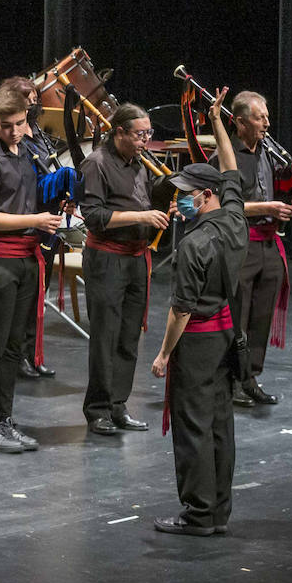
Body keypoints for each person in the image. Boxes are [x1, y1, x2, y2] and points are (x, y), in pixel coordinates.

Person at [151, 87, 245, 535]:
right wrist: (217, 123)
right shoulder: (233, 219)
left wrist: (164, 354)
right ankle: (219, 510)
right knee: (221, 423)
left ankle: (198, 513)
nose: (179, 201)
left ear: (204, 196)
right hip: (227, 337)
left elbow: (180, 310)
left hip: (199, 340)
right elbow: (231, 168)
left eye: (187, 194)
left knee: (192, 425)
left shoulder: (194, 244)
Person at [0, 88, 61, 453]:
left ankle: (5, 420)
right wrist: (35, 218)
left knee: (12, 347)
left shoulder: (25, 153)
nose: (16, 131)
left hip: (24, 258)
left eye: (21, 124)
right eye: (8, 126)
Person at [78, 103, 168, 434]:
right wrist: (142, 217)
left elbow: (146, 201)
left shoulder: (140, 163)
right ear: (119, 132)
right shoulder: (97, 164)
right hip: (107, 257)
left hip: (135, 256)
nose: (146, 140)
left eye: (149, 134)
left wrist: (164, 203)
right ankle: (98, 409)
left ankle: (118, 404)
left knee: (129, 335)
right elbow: (95, 217)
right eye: (140, 134)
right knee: (106, 335)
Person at [228, 91, 292, 408]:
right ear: (240, 122)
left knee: (261, 316)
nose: (267, 123)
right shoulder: (227, 156)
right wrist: (265, 206)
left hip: (270, 243)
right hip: (242, 245)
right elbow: (222, 207)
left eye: (267, 116)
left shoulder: (270, 151)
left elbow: (282, 183)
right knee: (237, 317)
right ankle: (232, 381)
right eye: (259, 118)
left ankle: (250, 378)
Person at [0, 76, 63, 380]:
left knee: (38, 296)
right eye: (28, 100)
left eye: (36, 99)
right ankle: (17, 355)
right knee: (21, 301)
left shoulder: (38, 133)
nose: (34, 105)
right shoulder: (10, 139)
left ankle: (32, 353)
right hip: (23, 226)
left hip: (45, 223)